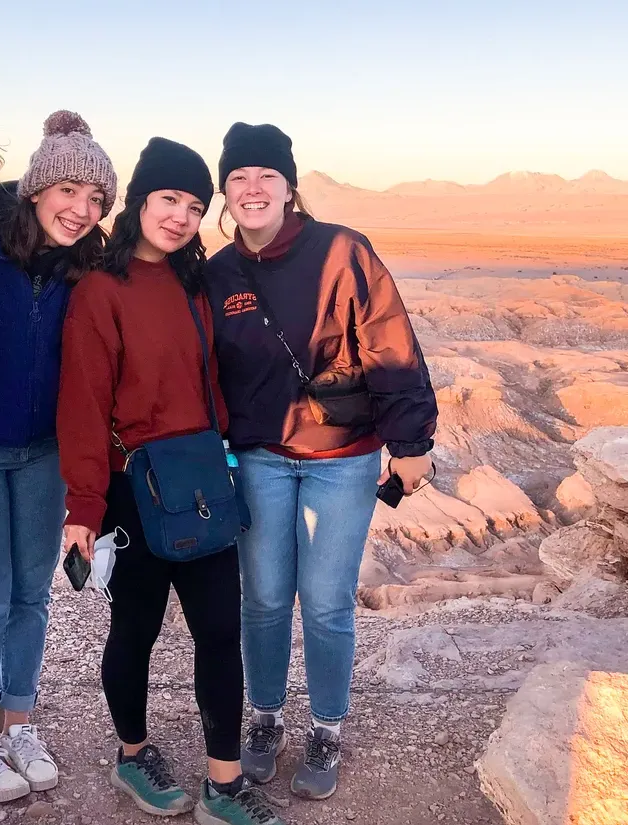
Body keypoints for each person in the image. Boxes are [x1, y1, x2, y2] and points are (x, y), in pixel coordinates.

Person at [205, 122, 438, 800]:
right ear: (226, 190)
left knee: (329, 602)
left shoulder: (343, 250)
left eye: (265, 177)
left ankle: (327, 724)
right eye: (239, 178)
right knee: (266, 598)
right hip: (259, 459)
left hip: (343, 458)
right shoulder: (218, 273)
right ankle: (266, 716)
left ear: (288, 186)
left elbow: (389, 343)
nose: (252, 189)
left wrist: (412, 442)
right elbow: (203, 367)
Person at [59, 138, 285, 825]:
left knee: (220, 630)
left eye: (195, 205)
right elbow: (83, 405)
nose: (182, 215)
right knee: (136, 628)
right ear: (140, 201)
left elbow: (211, 384)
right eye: (169, 199)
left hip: (201, 483)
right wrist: (84, 507)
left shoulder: (195, 287)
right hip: (134, 488)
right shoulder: (101, 289)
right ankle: (133, 753)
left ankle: (224, 785)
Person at [0, 111, 117, 803]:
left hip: (44, 452)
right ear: (37, 189)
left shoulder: (86, 268)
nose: (82, 210)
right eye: (70, 191)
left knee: (31, 596)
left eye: (97, 200)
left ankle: (16, 725)